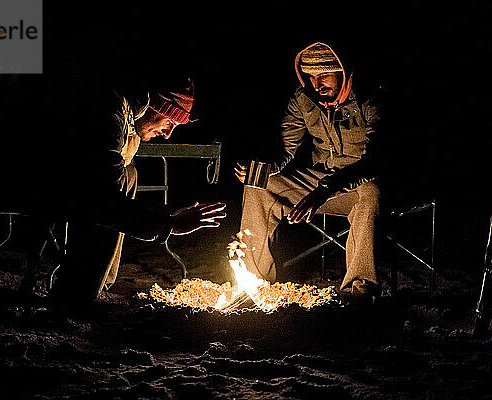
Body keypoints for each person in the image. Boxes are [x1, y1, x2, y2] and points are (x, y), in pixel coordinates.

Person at [51, 78, 226, 309]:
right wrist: (168, 224)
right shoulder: (110, 113)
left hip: (82, 191)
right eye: (170, 122)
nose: (167, 134)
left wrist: (167, 214)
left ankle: (97, 286)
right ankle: (75, 297)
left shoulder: (131, 123)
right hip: (46, 181)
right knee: (120, 182)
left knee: (129, 173)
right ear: (153, 106)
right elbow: (105, 202)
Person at [235, 42, 382, 301]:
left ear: (343, 72)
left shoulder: (370, 100)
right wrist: (263, 167)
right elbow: (285, 149)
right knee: (259, 185)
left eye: (323, 75)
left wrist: (326, 189)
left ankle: (359, 288)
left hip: (362, 185)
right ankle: (252, 281)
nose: (316, 84)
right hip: (322, 182)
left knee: (370, 191)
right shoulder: (305, 100)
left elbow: (375, 162)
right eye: (311, 77)